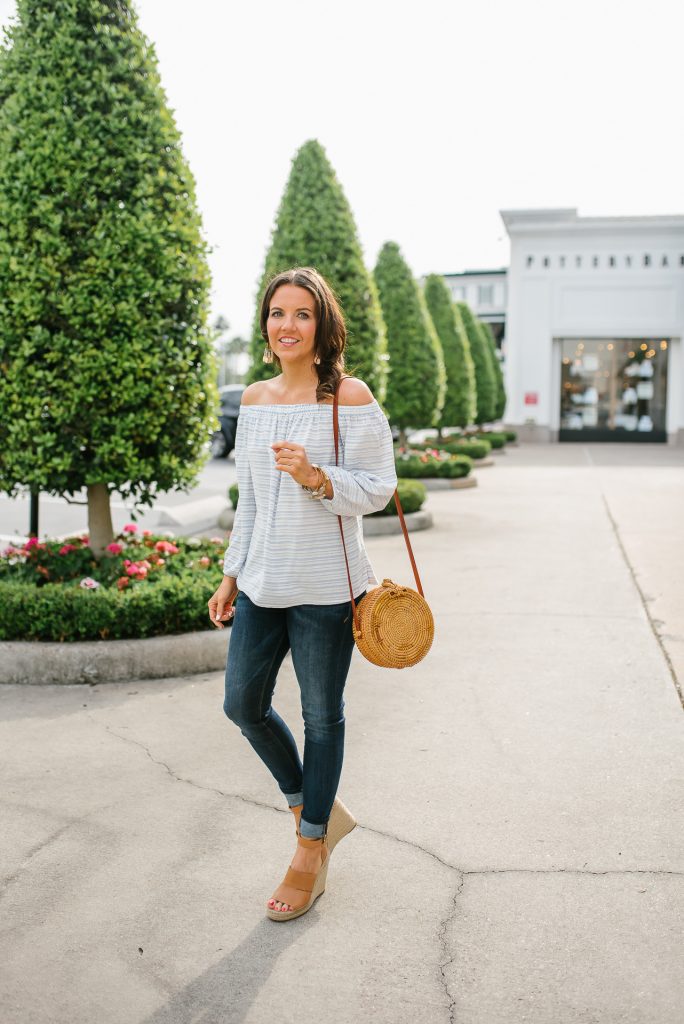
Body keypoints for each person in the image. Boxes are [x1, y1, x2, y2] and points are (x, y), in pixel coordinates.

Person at [207, 266, 397, 921]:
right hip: (263, 583)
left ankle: (310, 849)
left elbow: (379, 487)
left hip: (325, 587)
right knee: (242, 705)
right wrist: (233, 572)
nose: (287, 325)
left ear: (323, 325)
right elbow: (252, 501)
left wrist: (317, 478)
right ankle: (309, 803)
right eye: (277, 313)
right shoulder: (255, 401)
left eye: (302, 314)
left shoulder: (349, 397)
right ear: (265, 325)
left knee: (322, 716)